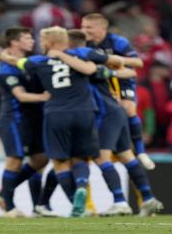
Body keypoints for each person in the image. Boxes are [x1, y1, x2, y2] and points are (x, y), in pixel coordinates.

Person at [67, 30, 164, 216]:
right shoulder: (96, 57)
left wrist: (104, 70)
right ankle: (148, 199)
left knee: (98, 158)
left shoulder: (78, 58)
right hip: (116, 111)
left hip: (104, 114)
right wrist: (109, 71)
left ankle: (120, 202)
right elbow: (128, 69)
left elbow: (127, 67)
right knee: (127, 156)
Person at [17, 26, 101, 217]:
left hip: (57, 114)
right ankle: (81, 186)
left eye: (42, 39)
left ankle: (76, 205)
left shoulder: (38, 61)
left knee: (60, 162)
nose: (40, 43)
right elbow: (97, 65)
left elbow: (20, 63)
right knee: (80, 158)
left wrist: (7, 57)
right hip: (84, 112)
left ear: (50, 42)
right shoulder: (80, 56)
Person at [0, 27, 56, 217]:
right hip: (14, 119)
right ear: (14, 42)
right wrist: (46, 97)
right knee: (15, 159)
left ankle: (2, 193)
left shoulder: (29, 61)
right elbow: (20, 95)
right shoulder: (5, 67)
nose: (32, 41)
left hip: (35, 118)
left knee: (42, 158)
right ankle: (9, 207)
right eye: (27, 38)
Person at [82, 13, 155, 170]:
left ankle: (141, 151)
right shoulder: (83, 43)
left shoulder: (117, 42)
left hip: (121, 79)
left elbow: (138, 62)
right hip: (98, 81)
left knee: (129, 109)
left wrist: (113, 60)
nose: (84, 30)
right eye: (83, 26)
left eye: (89, 27)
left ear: (102, 28)